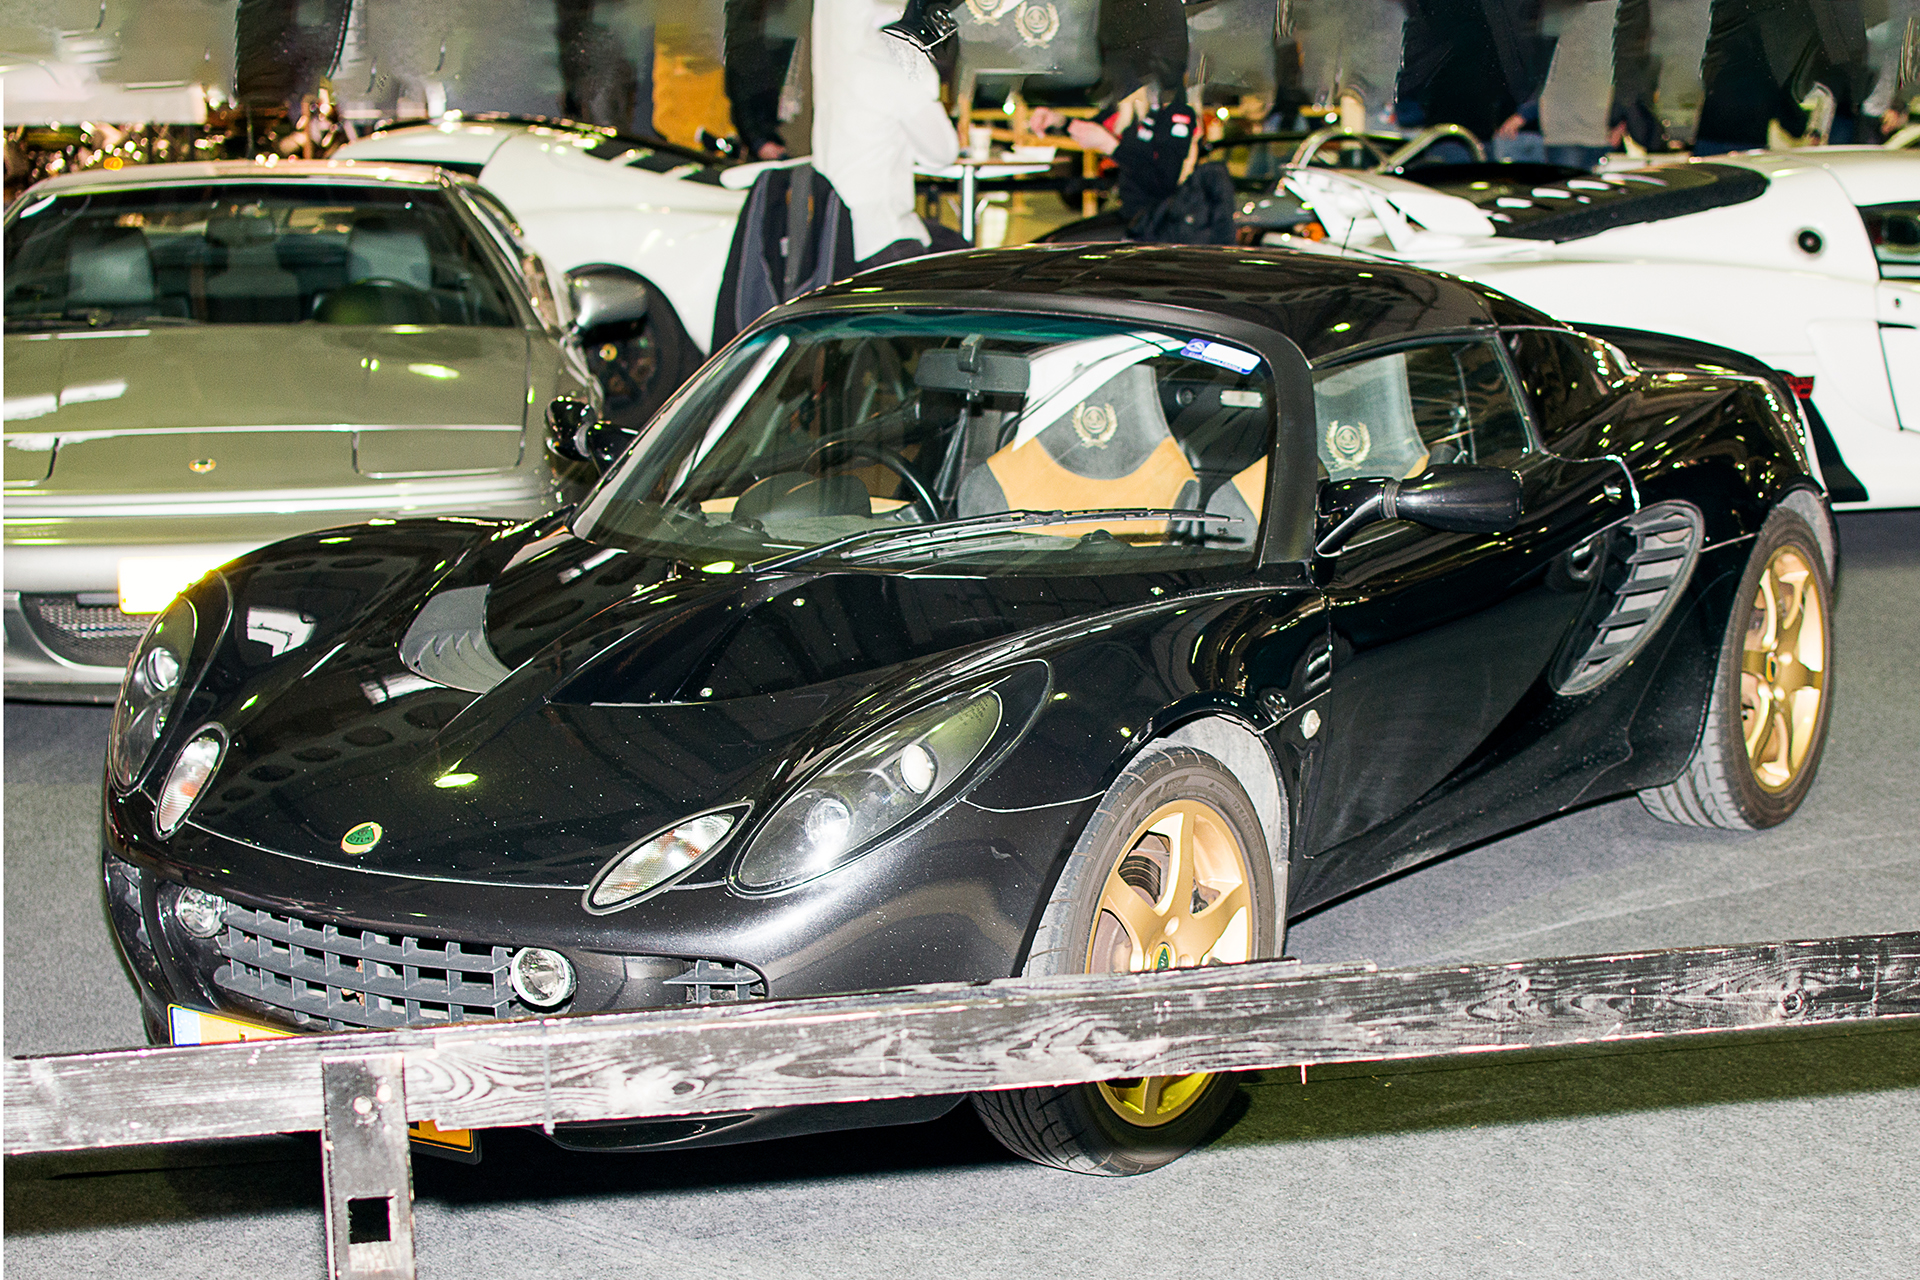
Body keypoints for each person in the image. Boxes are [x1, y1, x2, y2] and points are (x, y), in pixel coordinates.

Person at [811, 0, 960, 266]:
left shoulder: (833, 63)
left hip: (834, 236)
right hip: (886, 236)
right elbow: (943, 152)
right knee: (961, 257)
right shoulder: (894, 61)